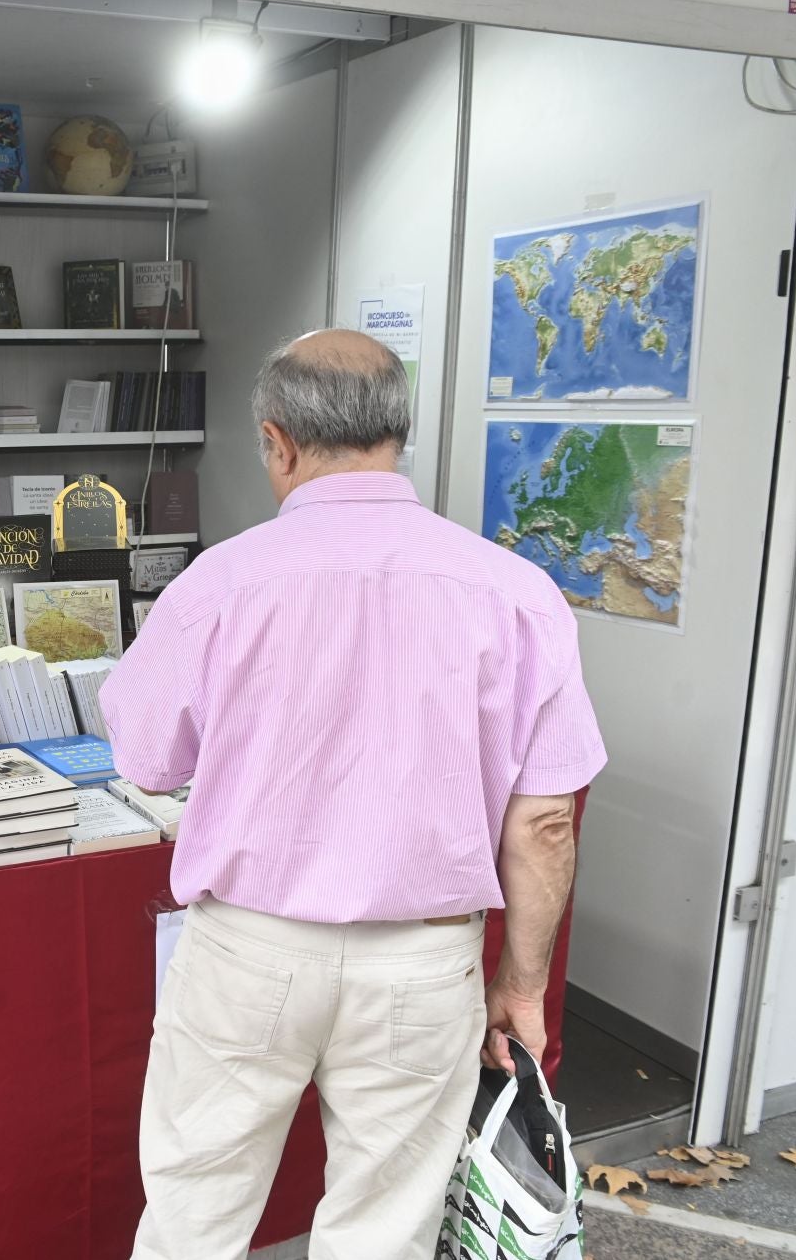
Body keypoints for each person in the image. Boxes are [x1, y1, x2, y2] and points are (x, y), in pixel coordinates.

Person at [100, 330, 605, 1260]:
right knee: (385, 1227)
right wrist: (521, 986)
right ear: (396, 435)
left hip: (247, 951)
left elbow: (146, 758)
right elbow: (542, 823)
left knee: (193, 1215)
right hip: (424, 966)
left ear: (277, 442)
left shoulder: (218, 583)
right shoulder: (517, 592)